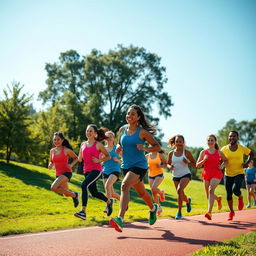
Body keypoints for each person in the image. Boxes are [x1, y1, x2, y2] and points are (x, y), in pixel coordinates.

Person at [109, 104, 161, 232]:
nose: (129, 116)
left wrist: (145, 148)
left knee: (124, 185)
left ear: (138, 117)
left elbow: (157, 147)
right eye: (128, 113)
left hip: (139, 165)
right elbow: (118, 144)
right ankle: (153, 208)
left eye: (133, 114)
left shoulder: (142, 132)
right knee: (142, 192)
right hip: (126, 166)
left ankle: (120, 219)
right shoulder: (122, 130)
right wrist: (118, 148)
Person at [74, 124, 112, 220]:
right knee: (94, 193)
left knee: (84, 185)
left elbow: (108, 156)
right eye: (87, 131)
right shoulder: (83, 144)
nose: (88, 133)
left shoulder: (98, 144)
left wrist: (99, 160)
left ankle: (83, 212)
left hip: (96, 170)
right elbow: (79, 159)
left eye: (91, 131)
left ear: (95, 133)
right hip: (86, 170)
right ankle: (109, 202)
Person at [221, 131, 254, 221]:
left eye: (234, 136)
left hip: (239, 173)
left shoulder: (241, 148)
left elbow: (251, 153)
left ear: (237, 137)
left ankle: (240, 197)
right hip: (227, 174)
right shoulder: (224, 149)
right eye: (230, 136)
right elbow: (220, 159)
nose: (232, 138)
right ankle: (231, 212)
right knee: (228, 195)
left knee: (235, 190)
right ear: (228, 138)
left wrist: (247, 163)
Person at [196, 134, 228, 220]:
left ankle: (209, 212)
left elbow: (226, 160)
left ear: (215, 141)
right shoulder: (203, 152)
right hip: (207, 174)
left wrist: (222, 166)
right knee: (209, 195)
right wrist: (204, 160)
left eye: (212, 140)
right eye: (209, 140)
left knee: (211, 190)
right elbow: (197, 165)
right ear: (207, 142)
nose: (210, 142)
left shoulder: (219, 152)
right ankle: (218, 199)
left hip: (216, 174)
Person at [167, 134, 196, 220]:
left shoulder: (186, 152)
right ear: (174, 143)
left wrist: (187, 162)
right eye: (177, 142)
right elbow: (168, 164)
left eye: (180, 142)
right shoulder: (171, 153)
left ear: (183, 142)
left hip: (185, 174)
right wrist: (170, 167)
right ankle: (188, 201)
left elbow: (195, 164)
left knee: (180, 190)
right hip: (175, 175)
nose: (179, 143)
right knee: (180, 193)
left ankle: (179, 212)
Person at [48, 132, 79, 208]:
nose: (56, 141)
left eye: (58, 139)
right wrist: (50, 164)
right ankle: (74, 195)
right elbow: (51, 160)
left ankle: (75, 195)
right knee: (66, 194)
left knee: (53, 187)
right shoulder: (52, 151)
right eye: (54, 139)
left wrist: (71, 165)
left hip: (66, 172)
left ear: (62, 140)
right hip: (58, 174)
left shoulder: (66, 150)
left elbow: (76, 158)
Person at [102, 130, 121, 213]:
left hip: (115, 170)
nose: (109, 138)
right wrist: (101, 161)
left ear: (114, 138)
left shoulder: (117, 148)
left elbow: (124, 161)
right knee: (112, 193)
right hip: (105, 171)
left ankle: (108, 205)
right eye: (107, 137)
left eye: (111, 136)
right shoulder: (103, 148)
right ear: (105, 139)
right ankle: (124, 201)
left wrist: (118, 160)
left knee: (107, 186)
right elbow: (100, 159)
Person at [146, 148, 167, 216]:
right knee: (153, 192)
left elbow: (166, 164)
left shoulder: (159, 155)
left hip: (159, 174)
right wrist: (147, 167)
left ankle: (161, 193)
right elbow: (143, 164)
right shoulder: (147, 156)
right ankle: (159, 207)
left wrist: (160, 166)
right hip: (151, 175)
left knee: (154, 188)